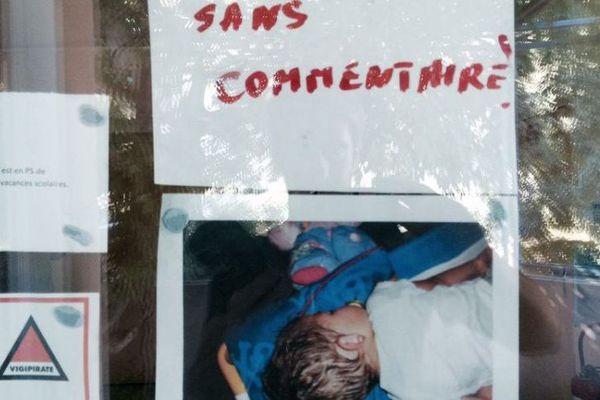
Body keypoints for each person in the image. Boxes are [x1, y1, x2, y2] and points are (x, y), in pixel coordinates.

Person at [262, 247, 493, 400]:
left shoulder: (405, 393)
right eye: (331, 312)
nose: (338, 307)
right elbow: (439, 282)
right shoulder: (382, 303)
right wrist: (477, 264)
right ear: (350, 342)